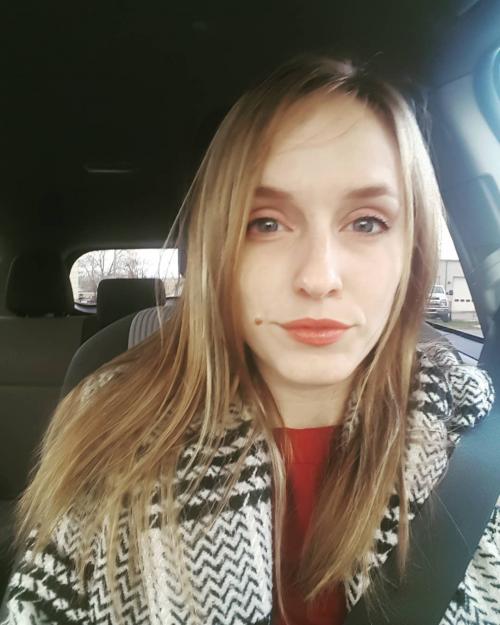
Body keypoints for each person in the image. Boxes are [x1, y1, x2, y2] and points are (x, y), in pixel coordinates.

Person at [1, 56, 497, 625]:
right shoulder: (108, 432)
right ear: (217, 252)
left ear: (412, 250)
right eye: (266, 223)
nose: (318, 278)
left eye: (366, 222)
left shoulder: (474, 443)